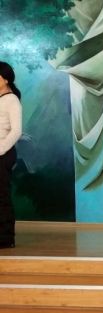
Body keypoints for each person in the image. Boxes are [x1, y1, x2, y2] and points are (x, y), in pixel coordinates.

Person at [0, 61, 21, 249]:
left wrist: (0, 149)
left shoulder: (11, 100)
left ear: (6, 79)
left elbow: (16, 131)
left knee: (2, 196)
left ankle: (6, 238)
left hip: (3, 154)